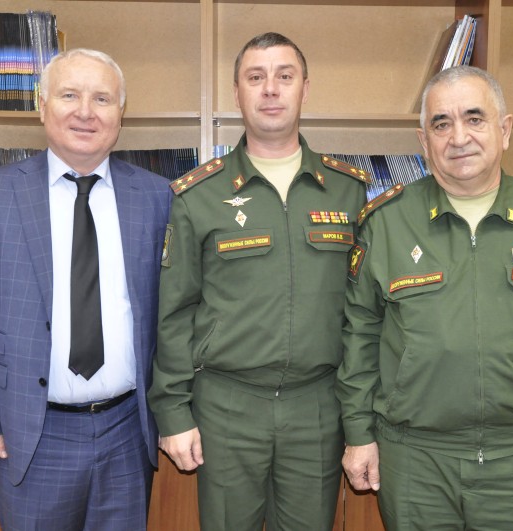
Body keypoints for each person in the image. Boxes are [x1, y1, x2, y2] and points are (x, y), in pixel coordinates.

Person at [336, 66, 513, 530]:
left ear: (505, 129)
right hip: (414, 460)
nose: (458, 137)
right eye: (441, 123)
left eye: (474, 118)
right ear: (424, 142)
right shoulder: (385, 223)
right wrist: (358, 435)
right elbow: (359, 341)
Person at [148, 32, 371, 530]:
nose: (270, 89)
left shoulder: (348, 191)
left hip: (317, 405)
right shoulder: (199, 194)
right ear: (237, 92)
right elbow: (175, 312)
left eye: (284, 76)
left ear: (304, 89)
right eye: (256, 77)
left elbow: (364, 315)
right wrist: (173, 411)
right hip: (227, 406)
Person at [0, 48, 172, 530]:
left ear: (120, 114)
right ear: (42, 105)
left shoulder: (155, 196)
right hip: (32, 433)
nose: (85, 112)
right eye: (69, 95)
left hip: (127, 433)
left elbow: (175, 311)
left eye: (102, 99)